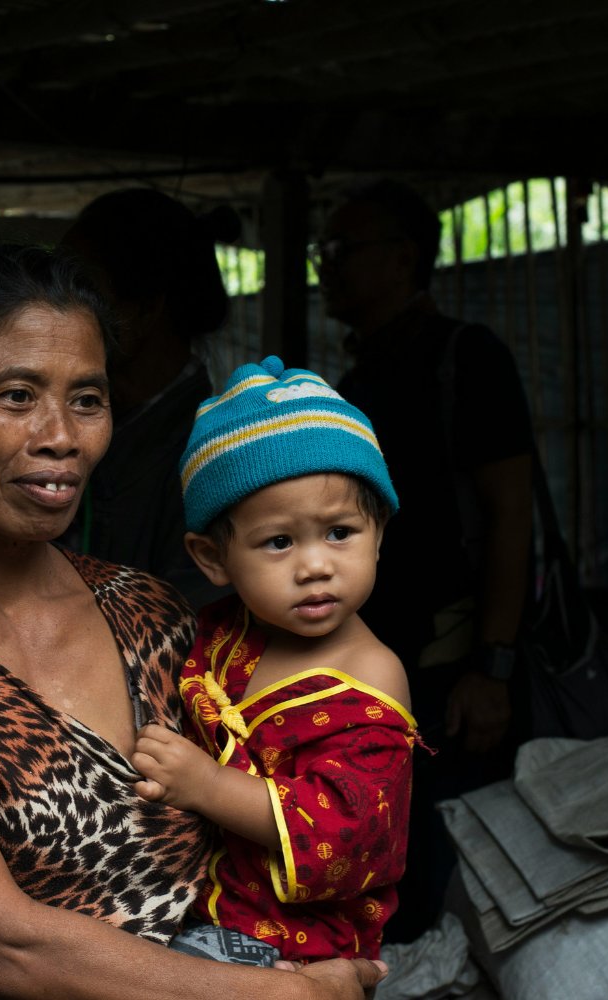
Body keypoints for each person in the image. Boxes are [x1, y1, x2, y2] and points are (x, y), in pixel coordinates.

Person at [0, 242, 388, 1000]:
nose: (62, 435)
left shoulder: (153, 612)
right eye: (17, 395)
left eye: (87, 399)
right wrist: (293, 995)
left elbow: (310, 794)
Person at [130, 355, 419, 966]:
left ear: (381, 532)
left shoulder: (370, 676)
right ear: (213, 560)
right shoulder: (224, 633)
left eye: (340, 532)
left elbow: (350, 829)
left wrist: (207, 786)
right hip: (199, 907)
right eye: (279, 542)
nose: (314, 565)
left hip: (296, 948)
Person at [321, 176, 537, 944]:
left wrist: (495, 666)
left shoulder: (464, 357)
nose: (325, 264)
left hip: (457, 675)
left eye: (343, 249)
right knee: (394, 883)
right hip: (388, 671)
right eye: (322, 249)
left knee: (457, 887)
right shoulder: (356, 380)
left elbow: (514, 514)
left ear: (404, 258)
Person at [57, 187, 239, 611]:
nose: (57, 310)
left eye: (82, 291)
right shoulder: (103, 430)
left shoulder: (211, 464)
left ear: (142, 309)